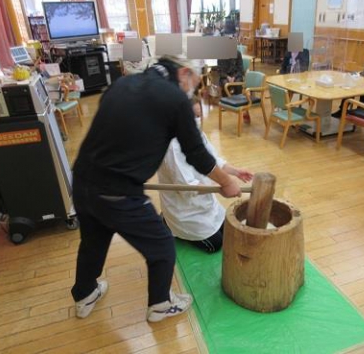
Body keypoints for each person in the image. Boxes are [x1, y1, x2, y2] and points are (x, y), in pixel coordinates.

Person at [70, 55, 243, 323]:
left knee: (93, 242)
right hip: (118, 192)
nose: (192, 93)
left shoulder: (122, 85)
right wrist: (227, 182)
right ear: (184, 73)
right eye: (193, 85)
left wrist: (226, 172)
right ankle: (160, 305)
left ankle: (84, 293)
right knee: (162, 245)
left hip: (82, 182)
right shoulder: (174, 99)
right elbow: (196, 153)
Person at [157, 100, 253, 253]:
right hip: (185, 210)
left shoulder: (193, 133)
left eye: (199, 115)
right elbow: (188, 187)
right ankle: (169, 223)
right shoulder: (172, 147)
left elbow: (213, 161)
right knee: (216, 245)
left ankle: (168, 220)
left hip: (204, 202)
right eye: (192, 117)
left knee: (229, 230)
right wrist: (220, 188)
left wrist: (236, 171)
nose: (197, 120)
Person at [217, 50, 247, 121]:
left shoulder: (238, 53)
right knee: (225, 83)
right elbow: (220, 71)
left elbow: (241, 69)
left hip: (236, 75)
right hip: (225, 76)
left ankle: (238, 101)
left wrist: (234, 77)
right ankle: (226, 102)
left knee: (238, 82)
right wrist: (227, 77)